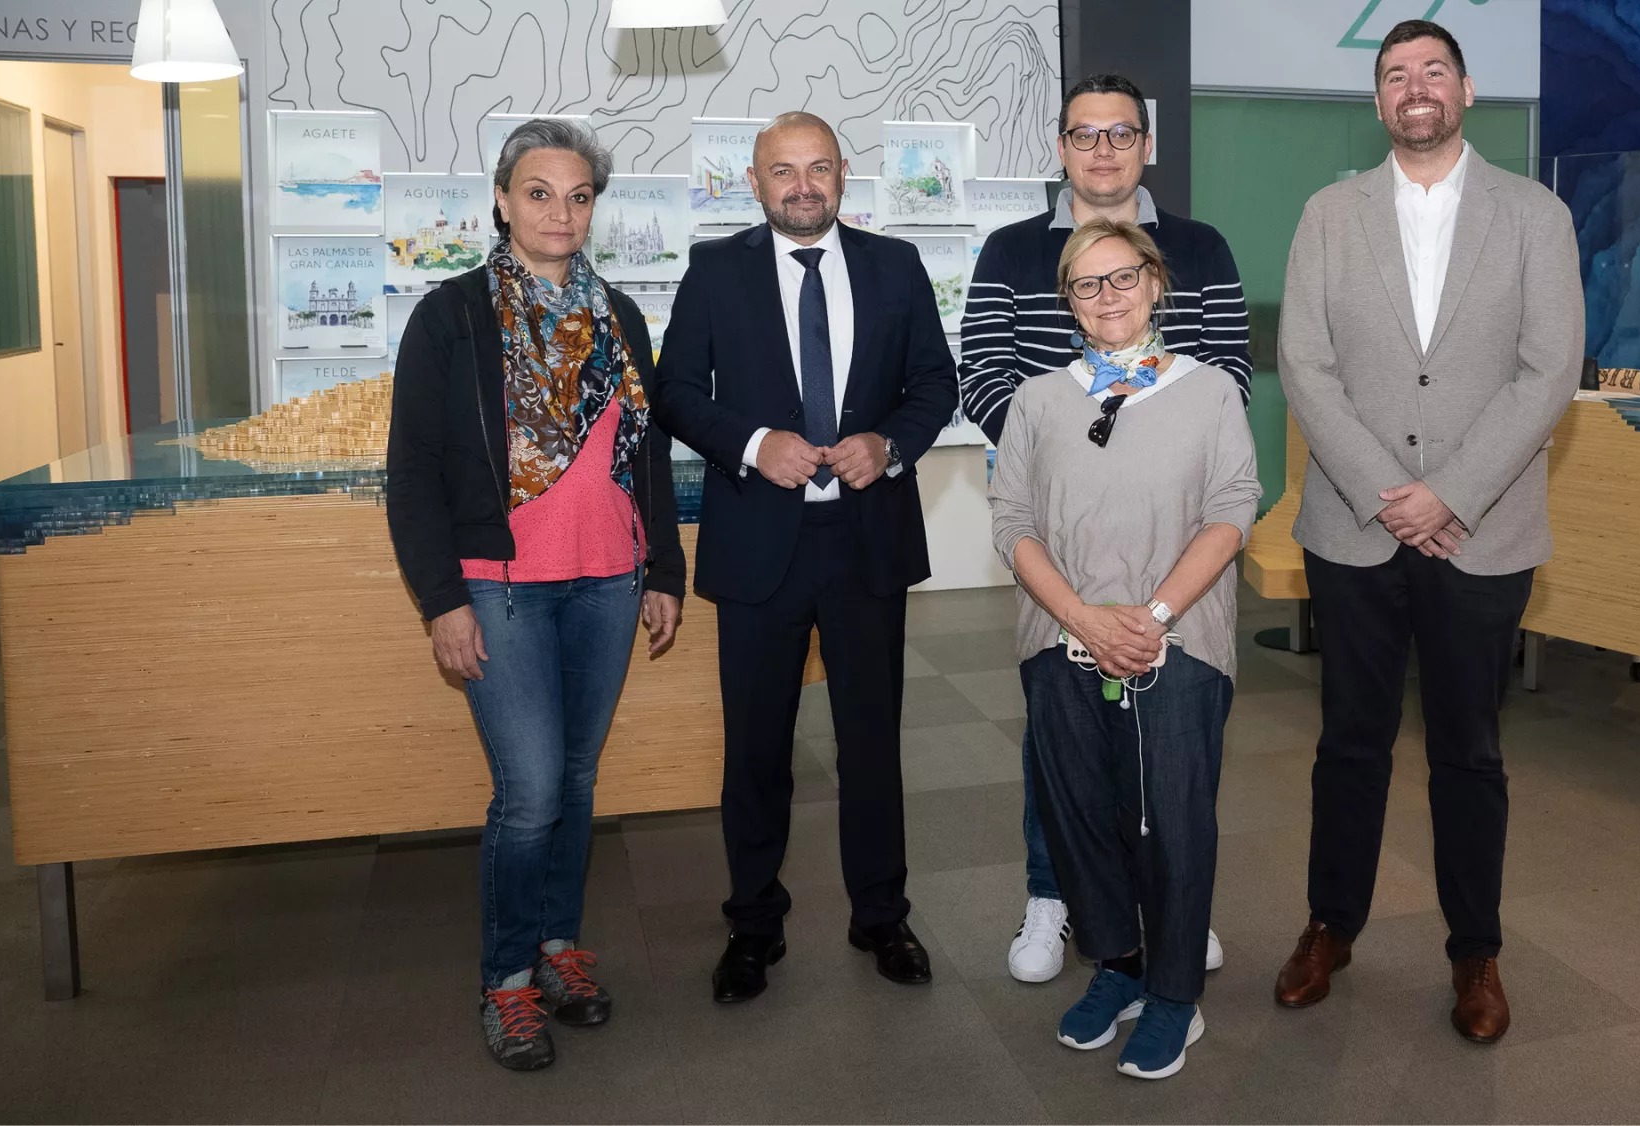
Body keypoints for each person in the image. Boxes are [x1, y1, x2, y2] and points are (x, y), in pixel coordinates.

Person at [1269, 20, 1583, 1044]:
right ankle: (1330, 924)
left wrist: (1446, 492)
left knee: (1468, 752)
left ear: (1464, 90)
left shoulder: (1533, 215)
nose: (1415, 89)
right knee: (1348, 743)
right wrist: (1384, 489)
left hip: (1481, 534)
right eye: (1395, 75)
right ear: (1375, 102)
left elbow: (1546, 373)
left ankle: (1474, 952)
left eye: (1432, 72)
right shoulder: (1327, 212)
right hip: (1352, 532)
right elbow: (1305, 365)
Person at [386, 118, 686, 1071]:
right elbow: (414, 473)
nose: (561, 212)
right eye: (541, 192)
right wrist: (442, 600)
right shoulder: (453, 316)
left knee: (581, 779)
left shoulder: (621, 319)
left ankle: (559, 949)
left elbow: (648, 458)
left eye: (580, 194)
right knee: (532, 793)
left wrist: (664, 569)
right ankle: (508, 981)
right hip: (499, 589)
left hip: (607, 578)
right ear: (505, 201)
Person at [654, 112, 959, 1003]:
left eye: (818, 168)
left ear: (843, 175)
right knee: (755, 747)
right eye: (782, 171)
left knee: (872, 741)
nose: (802, 185)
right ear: (754, 182)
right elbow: (674, 391)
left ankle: (881, 914)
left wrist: (889, 446)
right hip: (759, 546)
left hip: (865, 537)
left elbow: (933, 383)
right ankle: (754, 922)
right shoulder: (717, 270)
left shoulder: (896, 266)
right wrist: (752, 444)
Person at [960, 71, 1250, 985]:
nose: (1103, 152)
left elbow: (1228, 380)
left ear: (1146, 144)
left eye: (1121, 134)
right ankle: (1056, 894)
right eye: (1084, 135)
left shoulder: (1199, 249)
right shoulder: (1010, 252)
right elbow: (981, 376)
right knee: (1063, 739)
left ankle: (1172, 906)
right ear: (1060, 147)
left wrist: (1138, 447)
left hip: (1175, 536)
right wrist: (1072, 455)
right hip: (1058, 538)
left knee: (1174, 756)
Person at [990, 219, 1259, 1080]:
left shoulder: (1211, 390)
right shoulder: (1036, 400)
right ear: (1066, 302)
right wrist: (1083, 620)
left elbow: (1231, 508)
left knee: (1173, 819)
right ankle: (1121, 966)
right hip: (1059, 638)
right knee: (1080, 816)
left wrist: (1150, 615)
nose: (1106, 297)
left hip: (1180, 635)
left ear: (1155, 283)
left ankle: (1175, 994)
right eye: (1085, 284)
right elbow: (1014, 524)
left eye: (1122, 278)